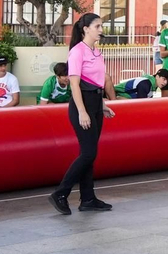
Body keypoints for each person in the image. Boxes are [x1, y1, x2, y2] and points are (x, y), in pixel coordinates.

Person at [50, 12, 119, 215]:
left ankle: (87, 198)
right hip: (83, 105)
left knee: (89, 154)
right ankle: (60, 193)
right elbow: (74, 83)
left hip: (95, 102)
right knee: (89, 153)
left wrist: (102, 105)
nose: (101, 30)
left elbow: (97, 82)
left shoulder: (96, 51)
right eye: (97, 26)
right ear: (85, 29)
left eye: (101, 26)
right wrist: (82, 111)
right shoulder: (77, 51)